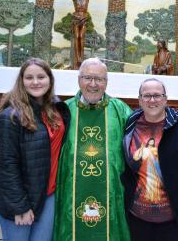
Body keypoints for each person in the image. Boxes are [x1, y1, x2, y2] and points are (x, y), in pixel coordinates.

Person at [0, 58, 70, 241]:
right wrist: (19, 206)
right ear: (21, 81)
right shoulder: (11, 117)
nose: (35, 82)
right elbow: (6, 166)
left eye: (41, 76)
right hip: (19, 198)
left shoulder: (56, 108)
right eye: (29, 77)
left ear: (50, 79)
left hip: (47, 194)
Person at [53, 58, 132, 241]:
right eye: (88, 78)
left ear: (106, 82)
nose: (93, 84)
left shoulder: (120, 110)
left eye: (99, 79)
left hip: (112, 193)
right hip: (70, 193)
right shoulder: (63, 110)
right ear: (79, 79)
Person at [121, 78, 178, 241]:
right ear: (139, 100)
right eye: (147, 96)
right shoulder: (131, 122)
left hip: (174, 221)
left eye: (157, 95)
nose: (152, 100)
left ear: (165, 99)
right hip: (138, 218)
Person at [52, 0, 110, 69]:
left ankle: (80, 58)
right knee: (77, 37)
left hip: (83, 20)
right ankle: (78, 57)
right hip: (76, 20)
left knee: (81, 37)